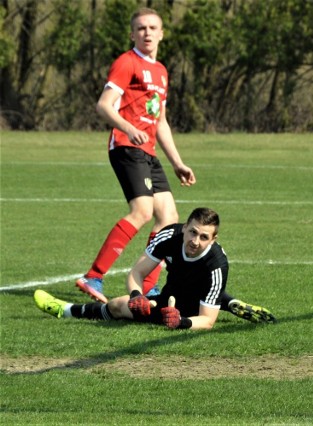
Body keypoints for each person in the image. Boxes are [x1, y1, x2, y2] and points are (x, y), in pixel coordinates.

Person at [76, 7, 195, 304]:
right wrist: (128, 128)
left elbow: (161, 122)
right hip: (127, 146)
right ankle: (94, 276)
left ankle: (149, 286)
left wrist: (177, 162)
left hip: (149, 152)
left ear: (162, 34)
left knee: (169, 218)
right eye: (141, 28)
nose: (147, 33)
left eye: (153, 28)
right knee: (142, 211)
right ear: (132, 34)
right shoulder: (126, 63)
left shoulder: (162, 71)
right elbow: (104, 106)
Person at [35, 207, 276, 329]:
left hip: (190, 307)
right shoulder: (169, 235)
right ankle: (64, 310)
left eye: (204, 237)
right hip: (172, 293)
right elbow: (137, 273)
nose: (195, 240)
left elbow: (207, 321)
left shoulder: (217, 263)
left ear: (213, 239)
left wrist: (180, 322)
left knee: (118, 306)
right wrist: (137, 296)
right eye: (192, 232)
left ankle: (223, 300)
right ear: (184, 228)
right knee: (122, 303)